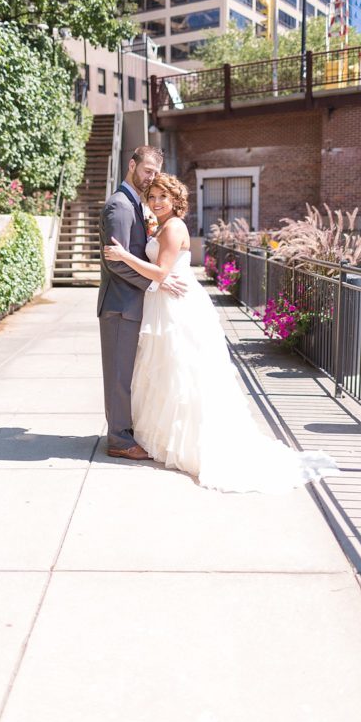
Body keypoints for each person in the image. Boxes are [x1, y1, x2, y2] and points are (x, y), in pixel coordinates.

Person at [103, 173, 336, 491]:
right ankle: (165, 435)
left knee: (182, 372)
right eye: (152, 196)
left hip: (176, 307)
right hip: (162, 303)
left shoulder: (173, 227)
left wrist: (124, 255)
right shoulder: (160, 224)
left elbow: (161, 271)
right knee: (163, 372)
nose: (156, 202)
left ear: (175, 200)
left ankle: (189, 442)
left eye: (163, 197)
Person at [97, 146, 187, 461]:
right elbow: (117, 263)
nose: (150, 178)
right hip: (120, 306)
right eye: (147, 170)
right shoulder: (120, 206)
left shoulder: (136, 203)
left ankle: (126, 431)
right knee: (119, 376)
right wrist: (155, 282)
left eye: (155, 173)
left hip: (134, 306)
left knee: (130, 375)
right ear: (132, 164)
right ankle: (119, 440)